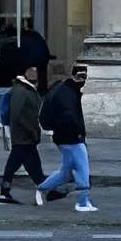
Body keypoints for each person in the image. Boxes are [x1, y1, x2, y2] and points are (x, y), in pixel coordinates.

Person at [34, 63, 96, 213]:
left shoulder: (66, 89)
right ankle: (82, 202)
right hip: (71, 138)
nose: (84, 81)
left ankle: (41, 189)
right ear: (75, 76)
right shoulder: (67, 93)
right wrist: (79, 134)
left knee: (65, 172)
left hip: (64, 138)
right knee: (83, 170)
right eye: (82, 77)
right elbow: (69, 118)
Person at [0, 63, 49, 204]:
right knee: (33, 166)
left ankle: (4, 192)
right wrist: (31, 131)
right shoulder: (21, 90)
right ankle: (46, 188)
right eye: (32, 69)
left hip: (26, 136)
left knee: (17, 164)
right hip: (24, 135)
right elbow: (17, 114)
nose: (35, 72)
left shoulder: (28, 89)